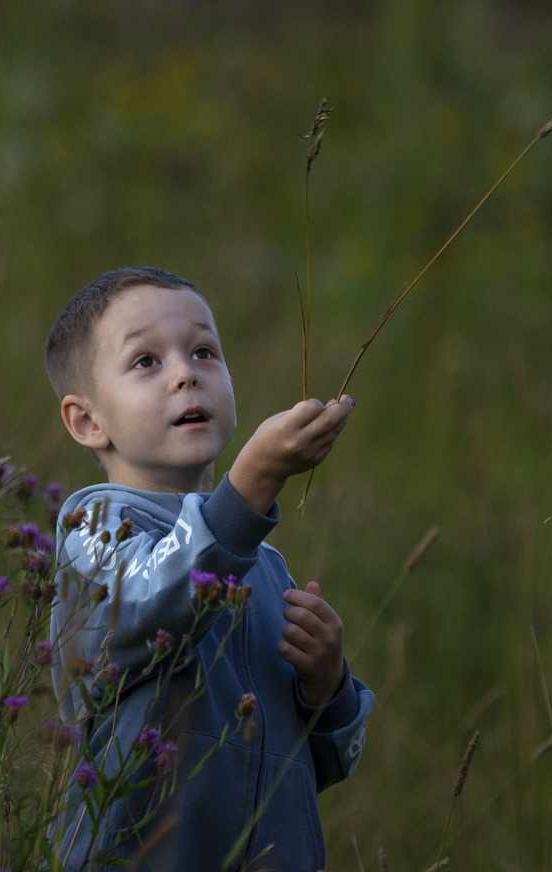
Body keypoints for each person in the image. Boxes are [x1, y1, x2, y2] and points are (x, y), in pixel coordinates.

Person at [45, 267, 374, 870]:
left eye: (203, 351)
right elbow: (145, 608)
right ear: (89, 422)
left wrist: (328, 686)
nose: (184, 373)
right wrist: (249, 487)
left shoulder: (264, 564)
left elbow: (317, 765)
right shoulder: (89, 530)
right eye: (146, 362)